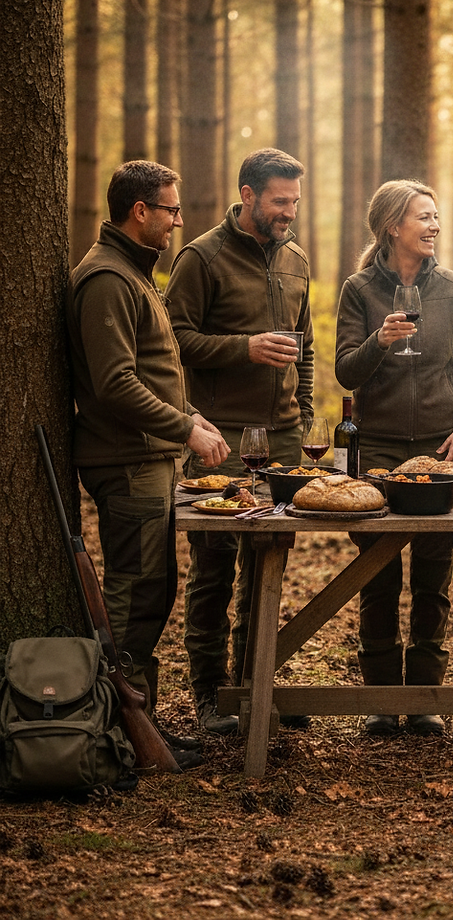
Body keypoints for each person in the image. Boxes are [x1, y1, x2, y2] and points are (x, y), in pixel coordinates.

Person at [67, 160, 231, 769]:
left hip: (147, 456)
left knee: (153, 593)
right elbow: (115, 383)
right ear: (140, 211)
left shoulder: (132, 273)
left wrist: (192, 415)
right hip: (128, 462)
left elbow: (153, 370)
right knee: (134, 597)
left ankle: (144, 726)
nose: (178, 221)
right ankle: (118, 734)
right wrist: (184, 428)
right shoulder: (107, 279)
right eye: (171, 210)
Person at [165, 148, 314, 735]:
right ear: (247, 195)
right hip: (220, 438)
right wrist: (243, 347)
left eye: (294, 201)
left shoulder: (297, 259)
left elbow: (302, 349)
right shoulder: (201, 257)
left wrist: (303, 415)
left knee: (268, 562)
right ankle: (208, 695)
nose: (289, 212)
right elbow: (173, 341)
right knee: (214, 567)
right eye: (280, 201)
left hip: (283, 440)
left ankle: (254, 687)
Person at [335, 180, 453, 736]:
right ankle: (381, 699)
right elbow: (345, 372)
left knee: (433, 574)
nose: (434, 226)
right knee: (377, 576)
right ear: (392, 226)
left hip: (438, 449)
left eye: (436, 216)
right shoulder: (358, 289)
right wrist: (379, 342)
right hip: (376, 449)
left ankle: (424, 697)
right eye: (423, 217)